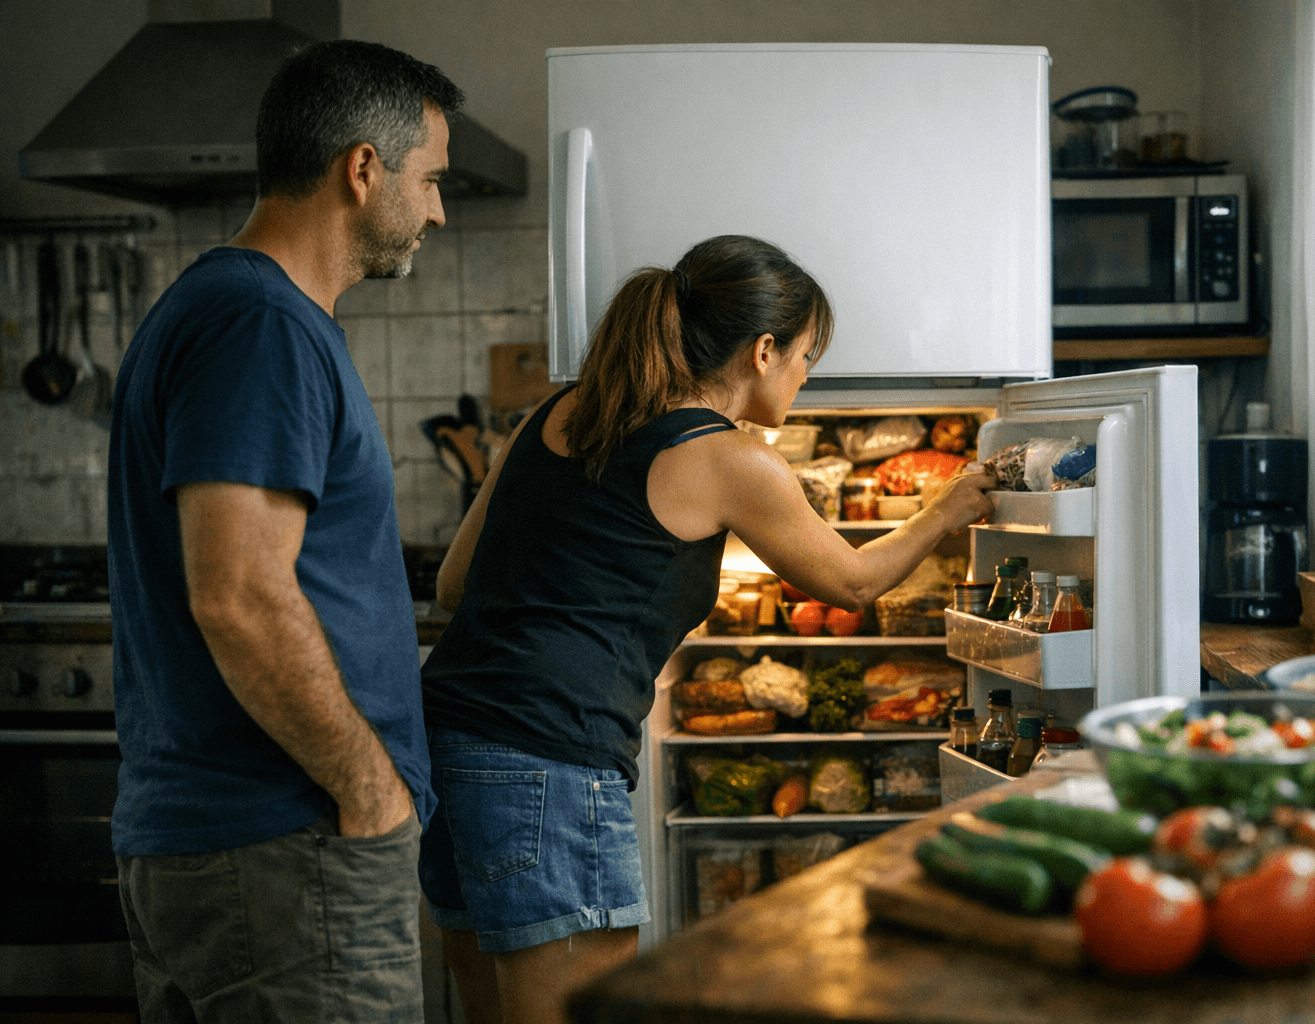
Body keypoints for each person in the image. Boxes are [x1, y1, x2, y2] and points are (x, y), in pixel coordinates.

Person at [418, 234, 996, 1024]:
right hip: (550, 758)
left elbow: (454, 585)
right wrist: (952, 505)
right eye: (804, 356)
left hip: (445, 746)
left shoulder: (553, 413)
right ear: (762, 350)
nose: (804, 375)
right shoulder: (726, 457)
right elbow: (854, 581)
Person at [107, 40, 463, 1023]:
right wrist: (371, 789)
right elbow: (239, 591)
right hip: (287, 842)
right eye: (430, 178)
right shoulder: (258, 323)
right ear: (361, 168)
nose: (437, 208)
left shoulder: (243, 313)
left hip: (244, 847)